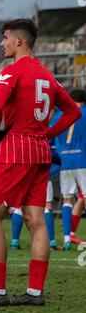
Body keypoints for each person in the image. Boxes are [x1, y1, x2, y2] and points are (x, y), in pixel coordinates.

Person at [0, 18, 81, 308]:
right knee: (36, 220)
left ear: (19, 41)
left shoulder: (11, 72)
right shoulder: (47, 75)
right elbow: (71, 113)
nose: (1, 43)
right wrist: (46, 133)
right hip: (41, 153)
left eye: (4, 38)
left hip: (15, 151)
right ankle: (34, 293)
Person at [52, 89, 86, 250]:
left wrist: (61, 155)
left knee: (67, 200)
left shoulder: (59, 116)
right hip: (82, 160)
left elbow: (51, 136)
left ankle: (67, 239)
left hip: (65, 161)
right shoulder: (84, 114)